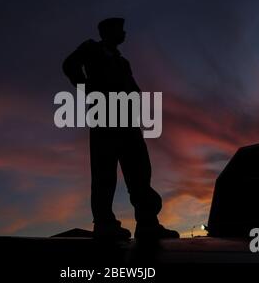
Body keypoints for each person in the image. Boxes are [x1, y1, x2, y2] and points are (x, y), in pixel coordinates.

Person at [62, 18, 179, 239]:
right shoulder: (91, 48)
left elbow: (132, 87)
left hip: (128, 121)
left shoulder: (123, 62)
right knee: (104, 171)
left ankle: (147, 223)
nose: (124, 33)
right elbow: (69, 65)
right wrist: (86, 87)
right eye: (119, 29)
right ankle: (105, 223)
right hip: (104, 117)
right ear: (107, 31)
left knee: (140, 171)